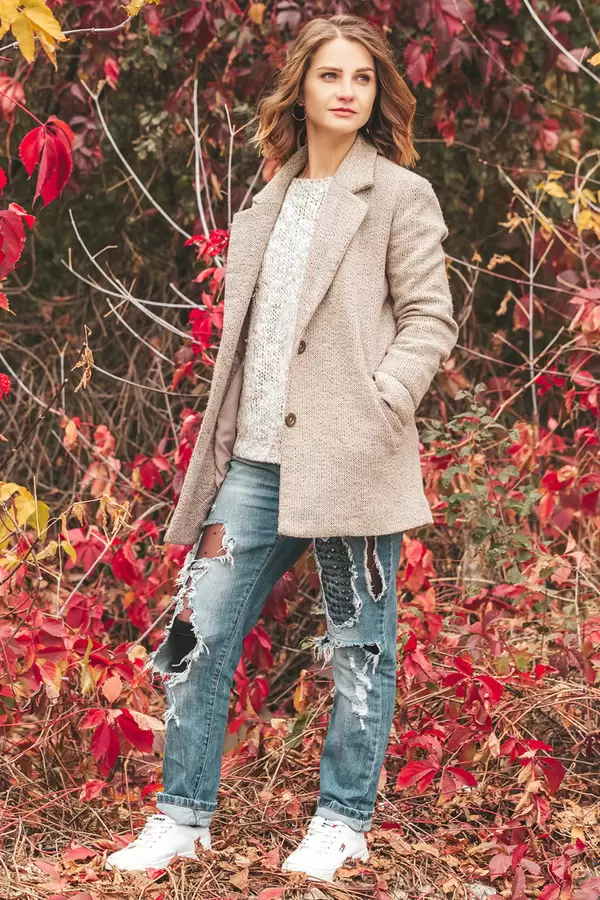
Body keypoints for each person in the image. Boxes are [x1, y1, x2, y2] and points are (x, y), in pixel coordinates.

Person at [105, 12, 459, 883]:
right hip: (255, 466)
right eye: (331, 74)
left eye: (362, 78)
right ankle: (182, 817)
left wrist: (380, 404)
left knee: (359, 649)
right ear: (300, 87)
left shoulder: (399, 194)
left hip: (350, 459)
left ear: (377, 93)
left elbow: (430, 319)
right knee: (196, 633)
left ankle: (342, 823)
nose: (347, 91)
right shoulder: (265, 203)